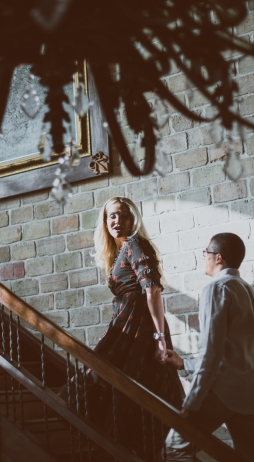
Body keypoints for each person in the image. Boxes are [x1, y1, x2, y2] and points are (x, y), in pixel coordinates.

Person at [83, 196, 184, 458]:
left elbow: (152, 291)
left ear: (133, 218)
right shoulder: (118, 251)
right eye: (112, 216)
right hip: (125, 324)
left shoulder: (136, 243)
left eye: (123, 215)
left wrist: (160, 338)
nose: (117, 220)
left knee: (127, 383)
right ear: (105, 222)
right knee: (111, 383)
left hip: (140, 327)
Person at [162, 232, 254, 462]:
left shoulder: (216, 288)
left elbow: (212, 351)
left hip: (224, 392)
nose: (204, 257)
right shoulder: (250, 292)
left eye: (206, 253)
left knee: (174, 447)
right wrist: (185, 363)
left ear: (218, 257)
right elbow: (236, 351)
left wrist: (192, 400)